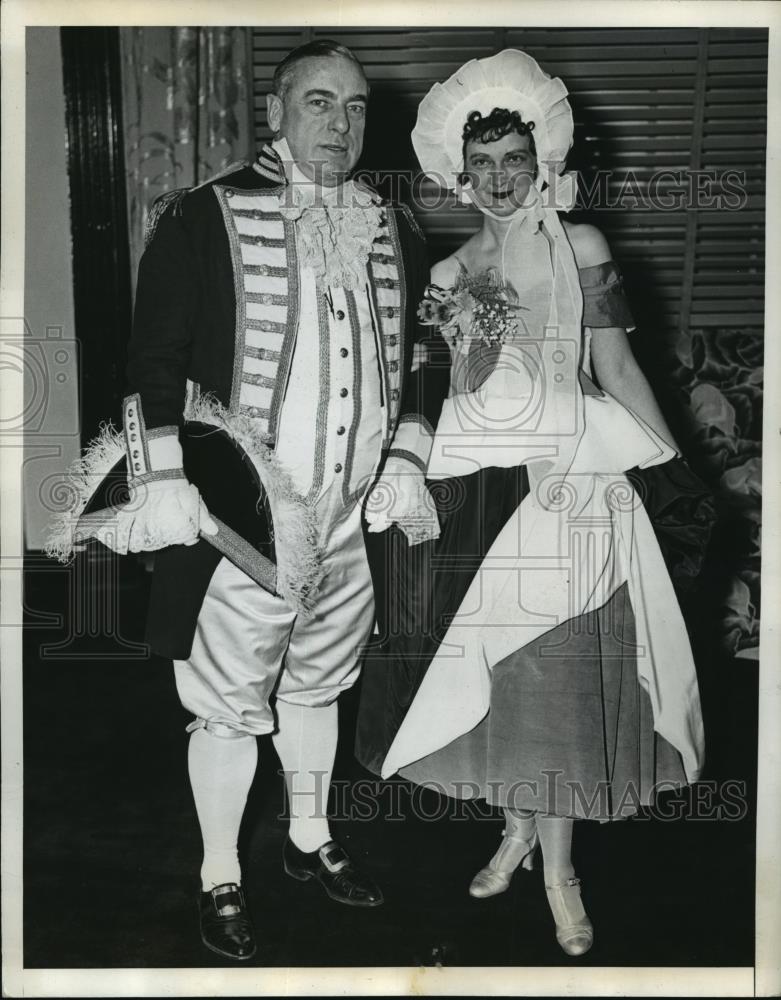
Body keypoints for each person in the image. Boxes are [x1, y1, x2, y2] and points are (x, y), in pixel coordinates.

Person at [48, 39, 445, 961]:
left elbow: (425, 357)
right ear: (274, 113)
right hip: (244, 522)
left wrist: (410, 456)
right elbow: (154, 361)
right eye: (317, 103)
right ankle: (219, 873)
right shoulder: (201, 217)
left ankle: (310, 839)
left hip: (350, 519)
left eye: (352, 107)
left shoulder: (396, 226)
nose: (338, 124)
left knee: (317, 688)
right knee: (227, 706)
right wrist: (169, 478)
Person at [355, 49, 706, 958]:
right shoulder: (444, 274)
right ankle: (514, 827)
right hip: (477, 481)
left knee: (556, 678)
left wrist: (670, 469)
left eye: (515, 159)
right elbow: (435, 394)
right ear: (457, 174)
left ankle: (559, 870)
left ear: (540, 157)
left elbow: (617, 366)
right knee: (502, 680)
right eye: (482, 165)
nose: (500, 180)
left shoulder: (579, 245)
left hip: (568, 478)